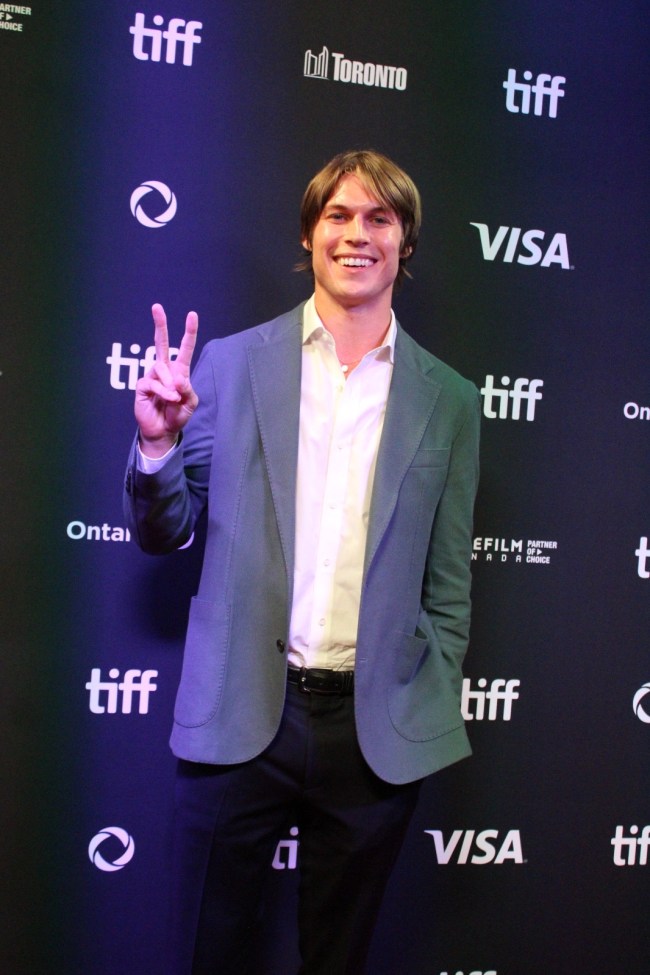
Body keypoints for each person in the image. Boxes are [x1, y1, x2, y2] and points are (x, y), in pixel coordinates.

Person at [123, 149, 480, 975]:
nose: (357, 234)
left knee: (337, 957)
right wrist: (157, 444)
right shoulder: (230, 363)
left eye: (379, 218)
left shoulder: (452, 399)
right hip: (243, 714)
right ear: (309, 235)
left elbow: (450, 581)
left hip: (373, 731)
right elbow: (164, 530)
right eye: (338, 215)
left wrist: (425, 681)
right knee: (208, 952)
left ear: (405, 243)